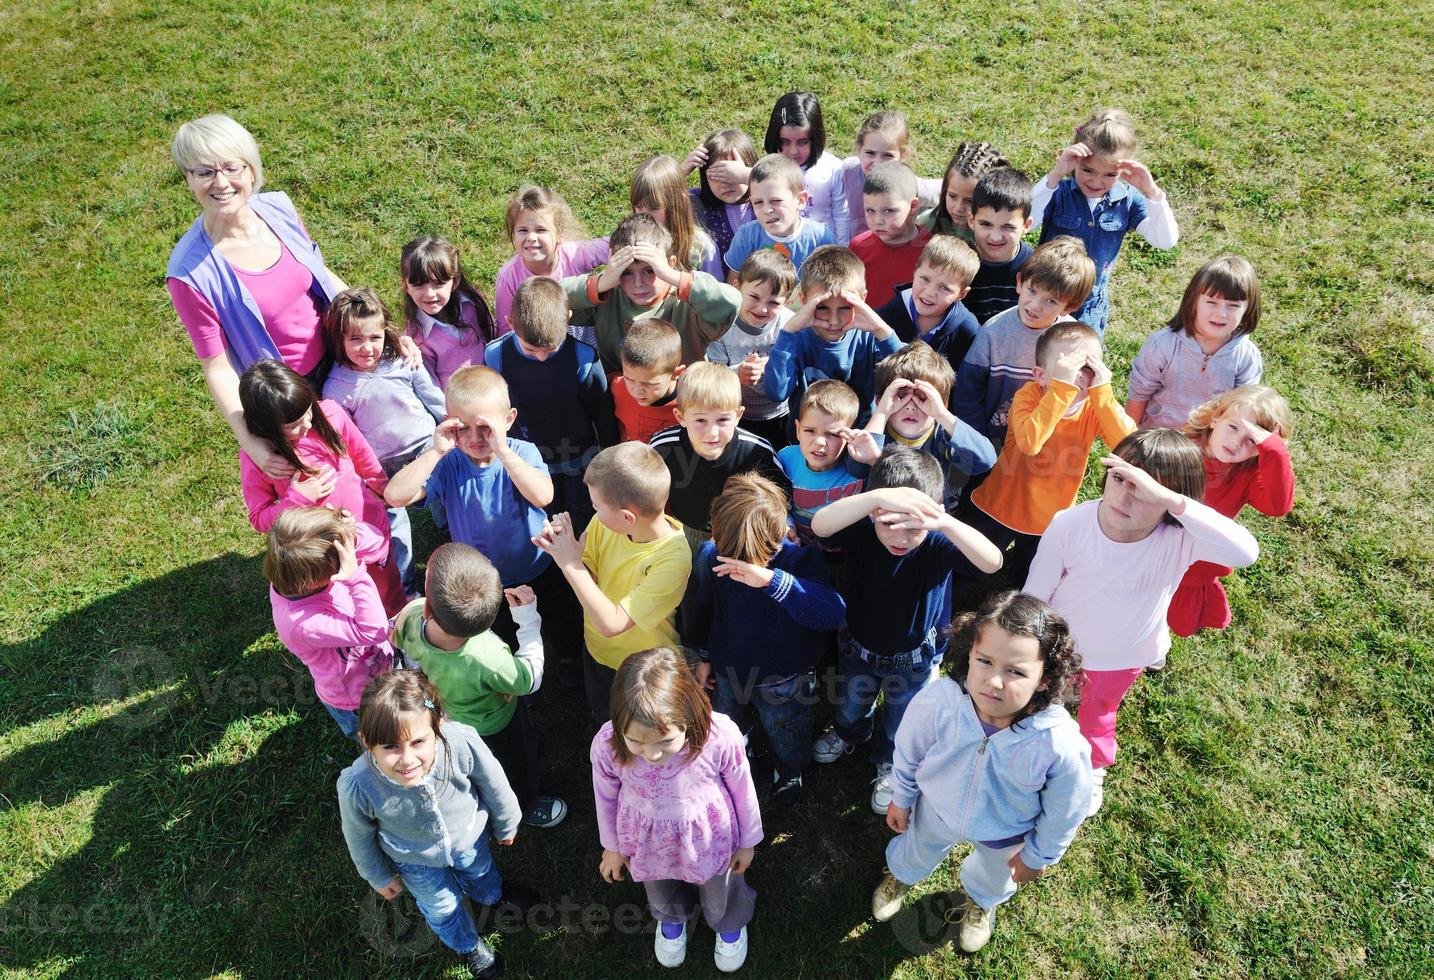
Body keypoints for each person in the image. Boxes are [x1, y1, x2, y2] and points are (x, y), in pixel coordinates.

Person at [1025, 429, 1259, 814]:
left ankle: (1092, 768)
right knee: (1041, 704)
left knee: (1098, 715)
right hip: (1060, 650)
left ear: (1171, 500)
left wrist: (1171, 502)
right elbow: (1037, 595)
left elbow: (1245, 552)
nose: (1126, 495)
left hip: (1124, 657)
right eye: (1120, 478)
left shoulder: (1181, 538)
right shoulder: (1070, 525)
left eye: (1146, 490)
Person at [166, 113, 392, 482]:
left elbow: (320, 272)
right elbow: (218, 368)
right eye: (204, 172)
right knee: (333, 475)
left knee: (372, 443)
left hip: (340, 353)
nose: (220, 182)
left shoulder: (279, 209)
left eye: (231, 167)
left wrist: (383, 333)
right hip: (292, 393)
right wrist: (251, 442)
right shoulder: (190, 274)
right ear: (187, 179)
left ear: (251, 170)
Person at [870, 591, 1092, 954]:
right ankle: (901, 876)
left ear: (1046, 679)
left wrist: (1037, 856)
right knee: (916, 849)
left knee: (994, 875)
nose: (994, 681)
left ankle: (981, 902)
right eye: (984, 661)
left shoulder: (1059, 742)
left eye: (1016, 671)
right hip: (935, 809)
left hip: (1006, 833)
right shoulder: (941, 699)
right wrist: (902, 795)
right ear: (968, 655)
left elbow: (1066, 810)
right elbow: (908, 750)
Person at [811, 447, 1003, 812]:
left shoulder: (937, 541)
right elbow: (821, 525)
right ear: (872, 513)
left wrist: (944, 523)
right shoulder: (864, 530)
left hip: (914, 659)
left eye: (913, 527)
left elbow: (993, 563)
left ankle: (889, 762)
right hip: (858, 648)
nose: (900, 536)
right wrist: (877, 498)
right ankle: (849, 733)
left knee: (902, 721)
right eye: (888, 523)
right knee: (852, 705)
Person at [383, 366, 582, 680]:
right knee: (500, 630)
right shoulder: (448, 463)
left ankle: (570, 659)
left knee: (558, 618)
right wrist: (435, 451)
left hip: (538, 566)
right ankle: (513, 673)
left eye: (485, 428)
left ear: (508, 420)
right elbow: (394, 496)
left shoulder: (520, 452)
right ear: (448, 423)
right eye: (462, 427)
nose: (475, 438)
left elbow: (543, 495)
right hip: (483, 584)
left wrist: (501, 449)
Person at [338, 671, 535, 980]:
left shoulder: (460, 742)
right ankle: (468, 945)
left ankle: (493, 896)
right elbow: (358, 836)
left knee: (480, 871)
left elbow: (494, 782)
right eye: (390, 747)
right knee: (442, 908)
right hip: (415, 861)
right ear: (366, 742)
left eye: (418, 742)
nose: (407, 759)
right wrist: (377, 875)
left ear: (438, 725)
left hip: (468, 838)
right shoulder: (358, 784)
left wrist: (507, 822)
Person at [591, 648, 763, 972]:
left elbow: (743, 786)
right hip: (647, 841)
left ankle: (727, 921)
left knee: (719, 887)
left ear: (689, 715)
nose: (652, 754)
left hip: (710, 839)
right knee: (658, 886)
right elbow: (605, 796)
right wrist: (611, 847)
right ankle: (670, 919)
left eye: (665, 740)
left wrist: (747, 842)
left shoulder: (719, 736)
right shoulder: (606, 746)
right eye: (636, 742)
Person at [682, 475, 846, 806]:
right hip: (728, 669)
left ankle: (790, 769)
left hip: (784, 677)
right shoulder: (710, 555)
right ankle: (740, 755)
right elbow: (698, 608)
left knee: (787, 730)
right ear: (715, 531)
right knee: (728, 723)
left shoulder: (799, 561)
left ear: (777, 534)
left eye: (752, 556)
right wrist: (701, 655)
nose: (741, 565)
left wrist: (772, 580)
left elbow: (832, 613)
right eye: (731, 555)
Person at [391, 542, 567, 829]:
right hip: (497, 723)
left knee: (482, 761)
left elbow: (401, 644)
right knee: (513, 766)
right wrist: (528, 619)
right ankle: (526, 803)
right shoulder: (487, 656)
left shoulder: (411, 614)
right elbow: (529, 680)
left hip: (451, 715)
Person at [964, 321, 1136, 586]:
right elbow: (1030, 443)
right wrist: (1060, 391)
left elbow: (1129, 447)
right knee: (967, 567)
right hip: (1001, 504)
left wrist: (1103, 395)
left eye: (1087, 368)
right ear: (1040, 375)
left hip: (1049, 518)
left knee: (1031, 582)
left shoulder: (1095, 406)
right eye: (1068, 369)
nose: (1078, 376)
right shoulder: (1029, 397)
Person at [531, 443, 691, 722]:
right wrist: (565, 550)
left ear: (628, 517)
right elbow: (590, 578)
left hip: (645, 671)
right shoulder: (604, 524)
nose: (593, 511)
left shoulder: (673, 559)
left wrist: (569, 563)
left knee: (640, 733)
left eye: (596, 505)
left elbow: (612, 624)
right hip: (596, 652)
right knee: (606, 718)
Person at [237, 359, 404, 614]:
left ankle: (397, 619)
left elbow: (363, 456)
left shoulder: (330, 414)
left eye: (308, 413)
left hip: (369, 529)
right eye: (293, 425)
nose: (306, 425)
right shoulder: (260, 458)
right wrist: (297, 499)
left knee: (387, 587)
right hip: (324, 555)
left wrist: (384, 489)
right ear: (264, 426)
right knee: (350, 605)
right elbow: (259, 519)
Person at [321, 287, 445, 598]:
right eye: (356, 340)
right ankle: (406, 592)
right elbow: (348, 439)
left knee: (446, 501)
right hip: (382, 468)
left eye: (374, 338)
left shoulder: (401, 359)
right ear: (340, 340)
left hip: (427, 449)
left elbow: (431, 395)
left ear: (385, 332)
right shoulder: (336, 388)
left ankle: (451, 537)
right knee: (396, 531)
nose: (367, 348)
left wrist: (450, 422)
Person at [485, 276, 617, 535]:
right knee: (542, 514)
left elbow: (602, 411)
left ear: (568, 317)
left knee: (582, 516)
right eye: (532, 350)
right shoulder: (495, 356)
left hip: (580, 458)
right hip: (528, 459)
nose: (542, 357)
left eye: (551, 348)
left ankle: (583, 560)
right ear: (510, 323)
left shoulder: (583, 358)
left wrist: (608, 455)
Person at [1030, 108, 1179, 334]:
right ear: (1075, 162)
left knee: (1080, 366)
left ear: (1124, 170)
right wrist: (1055, 174)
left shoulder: (1127, 200)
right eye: (1088, 170)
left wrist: (1152, 192)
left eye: (1110, 175)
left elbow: (1165, 241)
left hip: (1090, 307)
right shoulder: (1058, 191)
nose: (1097, 181)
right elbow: (1025, 222)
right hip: (1045, 299)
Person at [1169, 385, 1295, 637]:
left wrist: (1275, 452)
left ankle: (1157, 642)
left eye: (1252, 439)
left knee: (1170, 614)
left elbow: (1278, 506)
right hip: (1154, 544)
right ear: (1216, 419)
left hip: (1195, 565)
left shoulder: (1247, 474)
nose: (1236, 443)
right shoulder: (1178, 448)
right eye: (1233, 427)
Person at [953, 237, 1096, 450]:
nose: (1035, 305)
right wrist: (975, 440)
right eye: (1032, 290)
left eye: (1051, 301)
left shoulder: (1074, 341)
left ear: (1070, 306)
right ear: (1020, 282)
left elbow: (1083, 396)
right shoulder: (993, 331)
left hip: (1044, 441)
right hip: (993, 440)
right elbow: (968, 390)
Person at [264, 507, 395, 739]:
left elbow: (378, 543)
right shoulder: (302, 623)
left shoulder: (294, 575)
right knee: (378, 739)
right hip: (356, 698)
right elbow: (375, 630)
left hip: (376, 668)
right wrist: (355, 576)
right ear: (313, 581)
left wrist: (350, 533)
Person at [563, 213, 740, 374]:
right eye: (626, 272)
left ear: (669, 264)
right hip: (620, 398)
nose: (638, 283)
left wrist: (673, 276)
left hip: (684, 401)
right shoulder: (609, 296)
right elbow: (546, 299)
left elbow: (731, 303)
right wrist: (601, 283)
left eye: (650, 270)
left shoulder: (687, 302)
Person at [649, 363, 790, 553]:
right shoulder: (662, 447)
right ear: (680, 417)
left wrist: (783, 525)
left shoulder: (756, 451)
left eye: (722, 419)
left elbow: (780, 495)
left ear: (738, 415)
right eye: (700, 420)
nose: (712, 433)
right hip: (685, 527)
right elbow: (645, 487)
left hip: (740, 532)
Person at [762, 244, 903, 427]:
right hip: (808, 446)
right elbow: (777, 392)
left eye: (846, 307)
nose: (834, 321)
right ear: (804, 300)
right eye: (822, 307)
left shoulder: (869, 337)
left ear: (863, 299)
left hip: (860, 441)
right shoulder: (796, 338)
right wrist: (788, 332)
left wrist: (882, 330)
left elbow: (906, 379)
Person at [1127, 255, 1264, 429]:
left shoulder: (1246, 356)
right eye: (1211, 302)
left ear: (1248, 309)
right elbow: (1139, 395)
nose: (1221, 313)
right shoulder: (1163, 345)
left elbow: (1243, 410)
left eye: (1233, 305)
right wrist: (1127, 439)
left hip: (1209, 447)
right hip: (1158, 439)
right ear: (1193, 302)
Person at [866, 342, 997, 514]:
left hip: (931, 519)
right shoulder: (874, 432)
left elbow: (985, 460)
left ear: (941, 404)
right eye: (901, 396)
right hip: (881, 519)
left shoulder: (944, 436)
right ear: (879, 401)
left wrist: (943, 415)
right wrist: (881, 413)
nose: (911, 407)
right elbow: (856, 465)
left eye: (923, 398)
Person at [704, 250, 798, 448]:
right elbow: (712, 376)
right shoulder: (722, 325)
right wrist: (737, 373)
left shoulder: (790, 325)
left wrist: (776, 366)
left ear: (787, 299)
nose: (762, 308)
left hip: (781, 414)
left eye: (773, 302)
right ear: (736, 287)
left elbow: (800, 368)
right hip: (736, 416)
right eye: (754, 296)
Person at [493, 185, 609, 337]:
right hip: (538, 346)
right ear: (513, 235)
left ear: (559, 235)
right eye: (523, 230)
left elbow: (613, 244)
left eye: (541, 230)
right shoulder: (509, 277)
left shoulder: (576, 254)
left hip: (582, 336)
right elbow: (506, 328)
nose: (531, 237)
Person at [777, 380, 881, 545]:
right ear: (797, 429)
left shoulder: (859, 468)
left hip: (847, 551)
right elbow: (776, 503)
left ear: (849, 435)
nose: (819, 442)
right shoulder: (785, 459)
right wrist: (784, 524)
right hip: (799, 547)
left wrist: (874, 460)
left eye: (832, 434)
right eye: (809, 431)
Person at [400, 235, 499, 390]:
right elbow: (428, 385)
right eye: (419, 285)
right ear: (405, 285)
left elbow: (492, 335)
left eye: (439, 283)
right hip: (458, 405)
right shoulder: (416, 337)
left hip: (494, 386)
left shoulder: (471, 303)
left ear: (455, 281)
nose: (430, 293)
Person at [876, 234, 982, 377]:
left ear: (961, 294)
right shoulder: (883, 318)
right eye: (925, 279)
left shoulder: (968, 331)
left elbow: (966, 385)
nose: (930, 292)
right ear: (915, 272)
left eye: (945, 288)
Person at [722, 154, 837, 279]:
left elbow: (831, 284)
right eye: (758, 202)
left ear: (801, 200)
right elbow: (734, 286)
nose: (767, 210)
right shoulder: (746, 237)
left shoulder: (821, 237)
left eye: (776, 200)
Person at [837, 110, 942, 242]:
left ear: (902, 156)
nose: (878, 163)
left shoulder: (908, 185)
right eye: (870, 153)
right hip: (858, 252)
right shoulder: (847, 170)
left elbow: (944, 190)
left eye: (887, 155)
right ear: (859, 150)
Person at [849, 161, 933, 307]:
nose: (878, 221)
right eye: (870, 210)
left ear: (913, 206)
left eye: (888, 211)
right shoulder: (858, 246)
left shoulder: (932, 249)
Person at [631, 154, 723, 278]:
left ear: (677, 203)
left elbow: (715, 292)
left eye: (654, 208)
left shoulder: (701, 248)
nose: (644, 216)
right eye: (638, 206)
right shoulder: (631, 239)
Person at [679, 128, 759, 270]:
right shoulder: (698, 203)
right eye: (717, 175)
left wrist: (751, 176)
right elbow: (652, 202)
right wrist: (680, 173)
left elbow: (787, 184)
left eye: (732, 173)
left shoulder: (768, 200)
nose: (725, 182)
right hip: (719, 289)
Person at [965, 167, 1035, 325]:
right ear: (971, 220)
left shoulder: (1036, 267)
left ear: (1026, 225)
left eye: (1008, 227)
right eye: (985, 224)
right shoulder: (959, 263)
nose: (995, 237)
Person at [917, 141, 1011, 242]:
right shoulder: (928, 223)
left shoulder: (999, 236)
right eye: (952, 196)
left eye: (969, 201)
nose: (958, 208)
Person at [611, 319, 685, 444]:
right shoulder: (617, 387)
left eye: (649, 384)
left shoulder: (691, 405)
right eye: (629, 379)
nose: (637, 391)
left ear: (676, 374)